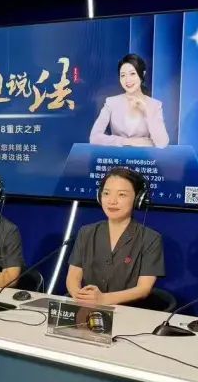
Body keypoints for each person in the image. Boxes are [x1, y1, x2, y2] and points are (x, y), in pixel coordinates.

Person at [66, 167, 164, 306]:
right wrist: (79, 295)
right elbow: (73, 278)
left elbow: (144, 289)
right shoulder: (86, 232)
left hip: (129, 312)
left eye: (122, 195)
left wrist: (103, 299)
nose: (112, 201)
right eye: (106, 193)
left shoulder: (150, 238)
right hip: (88, 309)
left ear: (138, 199)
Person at [89, 53, 170, 148]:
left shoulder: (155, 105)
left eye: (132, 74)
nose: (127, 80)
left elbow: (162, 143)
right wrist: (129, 142)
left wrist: (147, 111)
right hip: (117, 156)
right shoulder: (111, 103)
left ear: (142, 74)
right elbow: (94, 138)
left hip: (144, 157)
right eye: (123, 75)